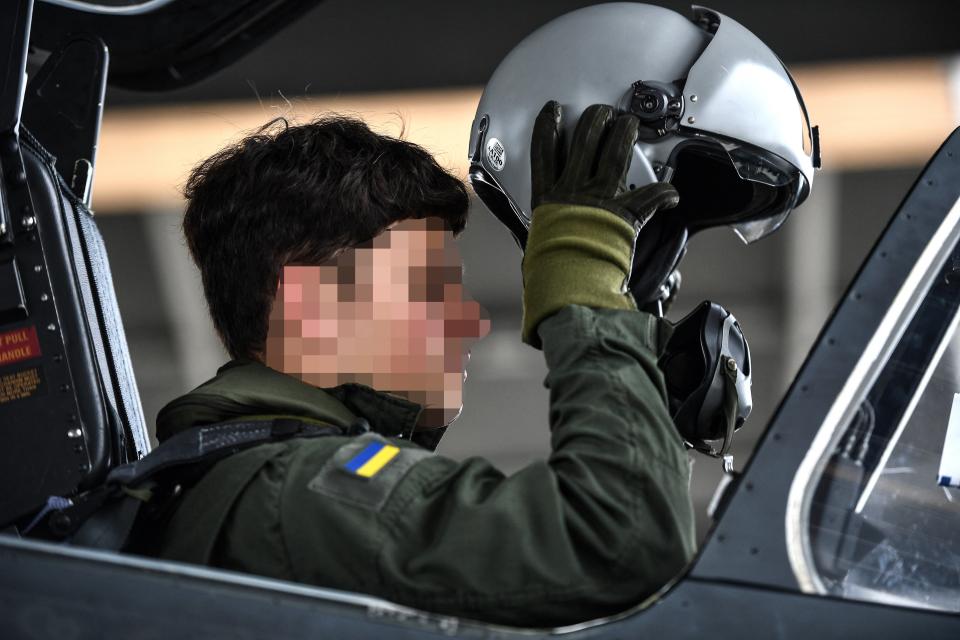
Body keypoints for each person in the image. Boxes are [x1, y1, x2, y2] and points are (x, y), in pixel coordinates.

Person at [144, 104, 695, 627]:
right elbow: (621, 539)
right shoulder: (301, 490)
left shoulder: (243, 490)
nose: (471, 321)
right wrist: (585, 286)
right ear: (309, 307)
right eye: (432, 289)